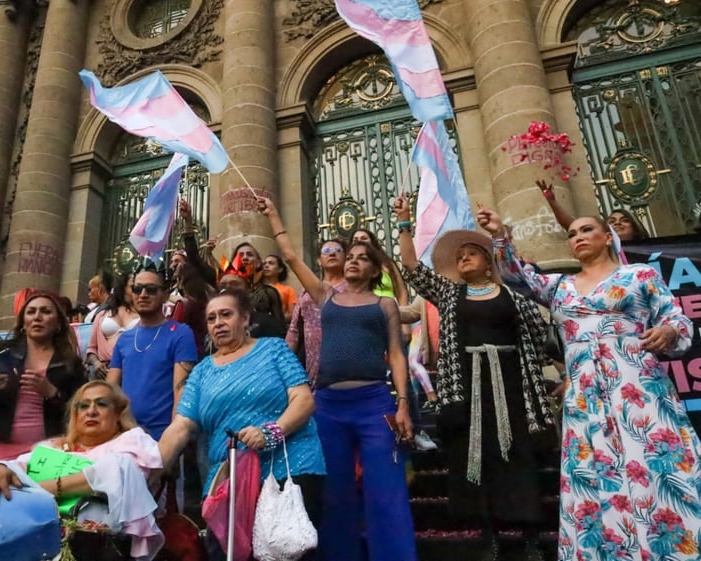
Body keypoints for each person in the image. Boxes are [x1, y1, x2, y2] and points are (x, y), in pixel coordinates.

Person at [479, 207, 701, 561]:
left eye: (586, 230)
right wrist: (499, 237)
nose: (577, 237)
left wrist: (670, 330)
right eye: (572, 234)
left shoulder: (638, 275)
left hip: (637, 387)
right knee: (596, 469)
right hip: (585, 395)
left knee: (655, 462)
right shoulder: (560, 287)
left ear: (606, 237)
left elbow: (676, 319)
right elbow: (516, 276)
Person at [394, 194, 554, 561]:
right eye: (459, 255)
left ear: (487, 264)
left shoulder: (514, 296)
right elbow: (411, 267)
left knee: (518, 457)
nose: (463, 258)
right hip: (467, 391)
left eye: (472, 253)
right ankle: (490, 535)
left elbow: (538, 329)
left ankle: (530, 536)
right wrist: (404, 222)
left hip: (513, 389)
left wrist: (498, 236)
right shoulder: (450, 294)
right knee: (476, 460)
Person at [258, 196, 416, 561]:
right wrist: (274, 214)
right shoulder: (325, 296)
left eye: (363, 258)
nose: (354, 261)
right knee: (335, 493)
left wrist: (403, 404)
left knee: (386, 490)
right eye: (351, 257)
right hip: (328, 407)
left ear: (375, 271)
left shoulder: (384, 304)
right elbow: (293, 258)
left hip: (375, 403)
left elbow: (395, 354)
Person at [157, 289, 325, 561]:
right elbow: (181, 426)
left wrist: (271, 432)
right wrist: (151, 469)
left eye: (226, 314)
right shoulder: (201, 371)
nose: (218, 323)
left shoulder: (274, 349)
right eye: (211, 318)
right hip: (228, 482)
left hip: (290, 470)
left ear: (245, 318)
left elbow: (303, 401)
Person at [0, 380, 164, 559]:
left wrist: (43, 489)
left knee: (120, 466)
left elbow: (124, 476)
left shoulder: (132, 441)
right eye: (83, 406)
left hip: (96, 542)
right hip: (36, 535)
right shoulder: (53, 448)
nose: (92, 411)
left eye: (101, 404)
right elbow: (17, 466)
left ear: (118, 413)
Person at [0, 291, 87, 479]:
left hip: (47, 451)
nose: (37, 317)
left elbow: (83, 409)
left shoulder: (70, 362)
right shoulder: (0, 353)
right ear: (23, 322)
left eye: (45, 311)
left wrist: (52, 393)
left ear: (58, 323)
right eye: (31, 312)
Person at [107, 261, 197, 441]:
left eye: (151, 289)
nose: (143, 295)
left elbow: (182, 390)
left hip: (161, 437)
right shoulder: (124, 338)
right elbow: (110, 390)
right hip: (124, 436)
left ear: (164, 295)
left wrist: (172, 440)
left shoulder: (181, 333)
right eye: (137, 289)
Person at [285, 238, 347, 384]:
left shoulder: (352, 287)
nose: (332, 253)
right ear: (319, 260)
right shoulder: (306, 291)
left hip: (344, 359)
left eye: (338, 251)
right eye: (326, 251)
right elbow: (294, 329)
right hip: (312, 363)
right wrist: (285, 361)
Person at [537, 179, 650, 242]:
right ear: (606, 233)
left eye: (624, 220)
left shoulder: (651, 250)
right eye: (611, 221)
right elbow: (572, 225)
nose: (617, 223)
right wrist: (552, 201)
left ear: (635, 228)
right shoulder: (604, 248)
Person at [85, 274, 140, 379]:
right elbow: (91, 349)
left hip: (132, 371)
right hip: (103, 372)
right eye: (134, 286)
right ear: (123, 288)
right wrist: (96, 364)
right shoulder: (102, 315)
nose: (139, 290)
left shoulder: (145, 317)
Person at [350, 228, 409, 305]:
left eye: (364, 238)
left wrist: (402, 311)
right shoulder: (349, 266)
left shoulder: (387, 263)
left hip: (389, 310)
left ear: (372, 242)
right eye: (355, 239)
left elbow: (401, 291)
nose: (360, 241)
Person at [262, 254, 297, 324]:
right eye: (264, 263)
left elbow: (293, 315)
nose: (266, 266)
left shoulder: (288, 290)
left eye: (271, 263)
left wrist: (275, 317)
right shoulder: (256, 289)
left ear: (280, 269)